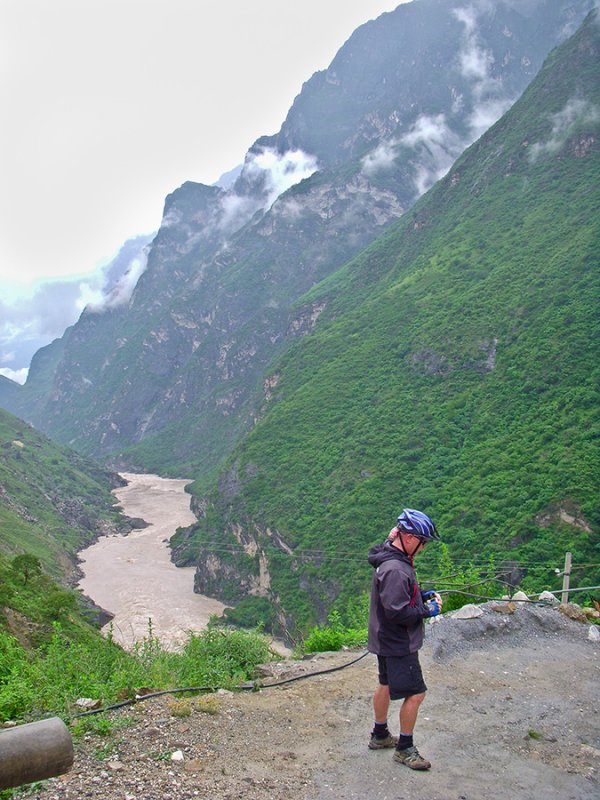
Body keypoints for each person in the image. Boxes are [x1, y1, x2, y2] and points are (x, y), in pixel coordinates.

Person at [367, 508, 442, 770]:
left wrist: (419, 596)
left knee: (385, 682)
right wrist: (426, 609)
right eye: (423, 542)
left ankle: (380, 734)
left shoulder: (388, 554)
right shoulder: (397, 569)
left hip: (383, 638)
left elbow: (398, 599)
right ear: (409, 539)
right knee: (417, 693)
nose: (423, 548)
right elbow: (398, 612)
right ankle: (405, 748)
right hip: (398, 642)